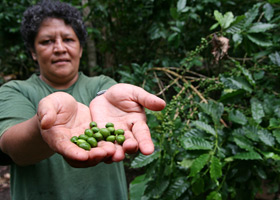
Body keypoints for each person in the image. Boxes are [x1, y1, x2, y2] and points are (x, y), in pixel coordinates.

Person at [0, 0, 166, 200]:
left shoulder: (102, 85)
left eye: (69, 39)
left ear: (80, 49)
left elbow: (108, 96)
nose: (60, 48)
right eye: (46, 41)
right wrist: (43, 125)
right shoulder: (16, 90)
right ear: (33, 53)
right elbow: (14, 148)